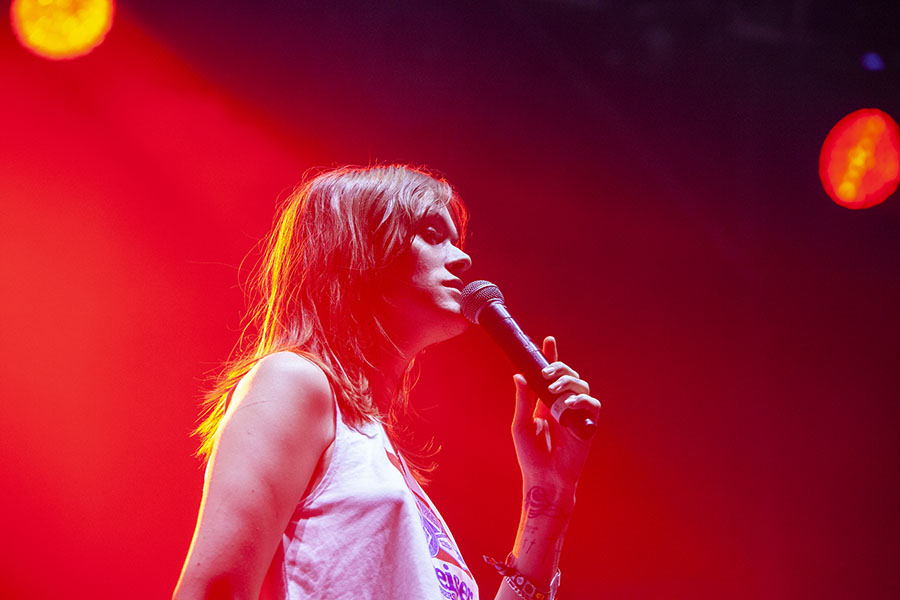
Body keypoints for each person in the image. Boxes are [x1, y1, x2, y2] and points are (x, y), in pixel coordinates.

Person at [173, 165, 601, 600]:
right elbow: (213, 589)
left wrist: (549, 496)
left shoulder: (377, 449)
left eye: (455, 239)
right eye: (433, 234)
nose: (464, 258)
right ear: (360, 249)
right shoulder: (295, 381)